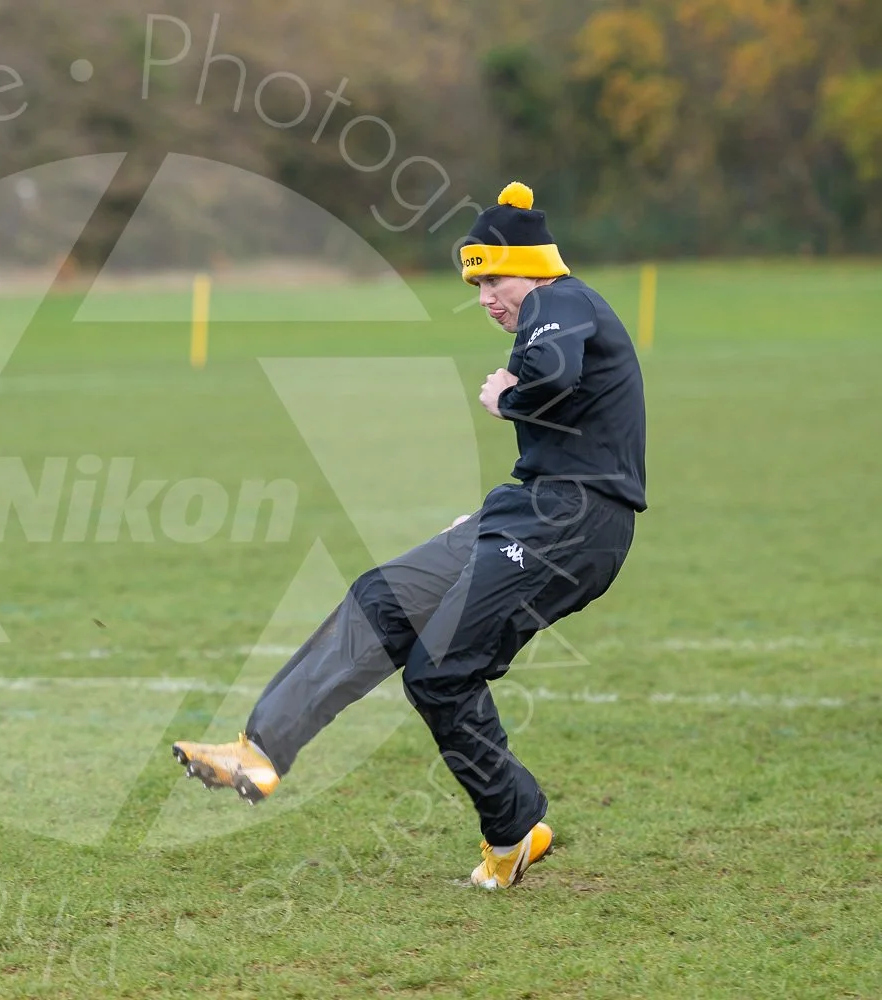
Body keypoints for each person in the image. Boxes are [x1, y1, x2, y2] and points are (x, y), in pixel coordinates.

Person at [171, 181, 647, 890]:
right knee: (383, 597)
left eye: (494, 278)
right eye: (476, 284)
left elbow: (552, 374)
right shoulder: (549, 310)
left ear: (533, 266)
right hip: (527, 509)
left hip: (575, 522)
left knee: (441, 671)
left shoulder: (560, 299)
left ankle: (513, 829)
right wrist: (488, 523)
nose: (487, 297)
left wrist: (505, 397)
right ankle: (259, 751)